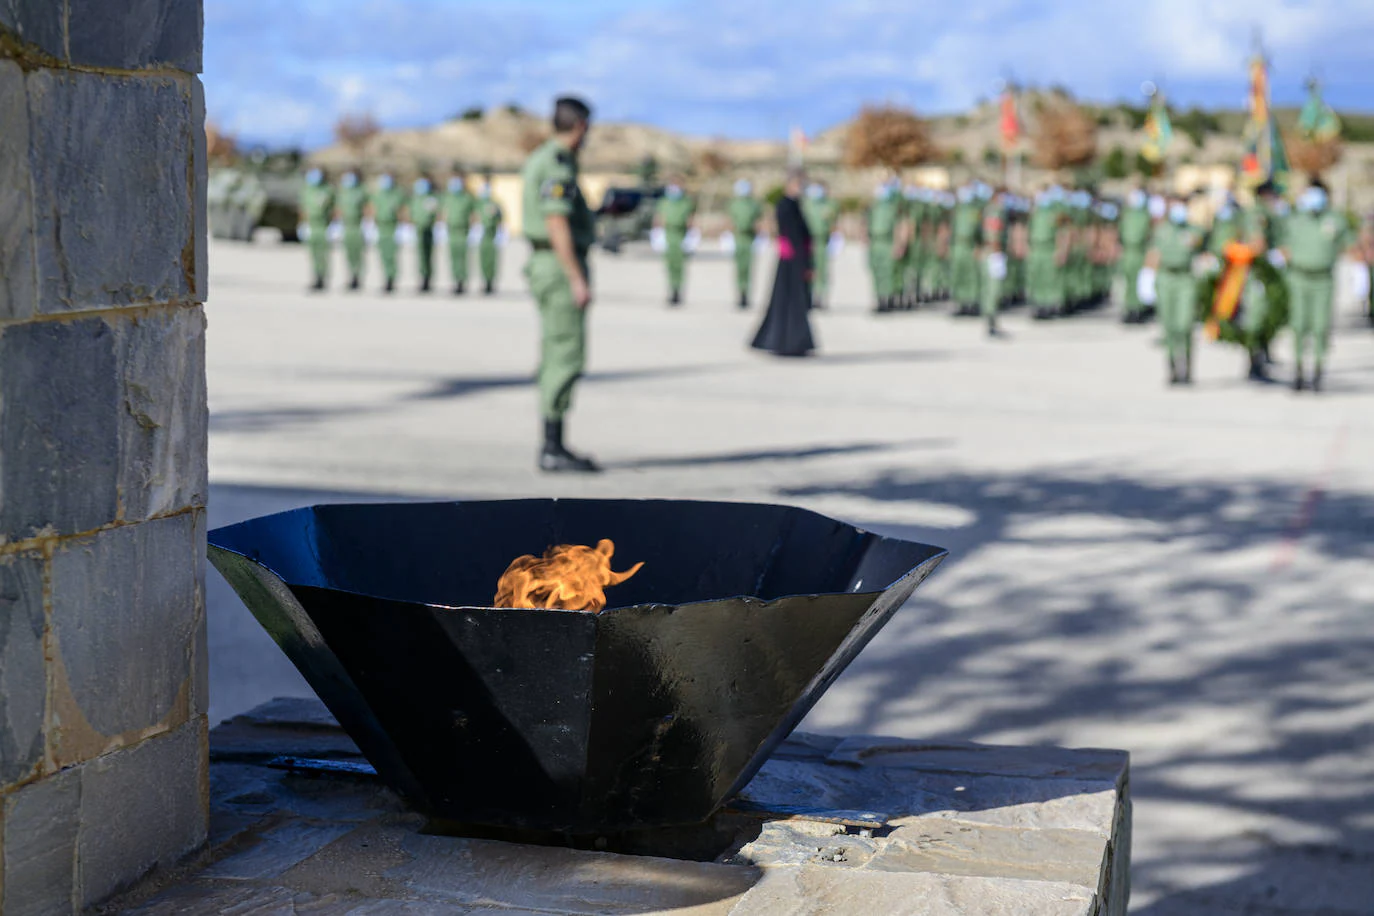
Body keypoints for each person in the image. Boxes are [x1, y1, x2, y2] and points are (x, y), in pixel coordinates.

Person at [522, 96, 599, 472]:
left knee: (556, 350)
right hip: (557, 264)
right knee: (565, 353)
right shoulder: (557, 164)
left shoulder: (544, 158)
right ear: (580, 126)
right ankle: (553, 447)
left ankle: (554, 442)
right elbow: (557, 223)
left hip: (546, 262)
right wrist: (576, 277)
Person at [1282, 179, 1353, 391]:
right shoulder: (1294, 220)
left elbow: (1350, 243)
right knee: (1298, 325)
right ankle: (1298, 370)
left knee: (1320, 326)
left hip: (1323, 279)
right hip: (1299, 278)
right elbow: (1280, 242)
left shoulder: (1335, 220)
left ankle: (1319, 370)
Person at [751, 168, 815, 357]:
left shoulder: (794, 204)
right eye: (799, 183)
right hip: (793, 259)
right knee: (788, 301)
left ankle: (793, 341)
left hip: (796, 257)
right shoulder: (785, 205)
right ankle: (785, 342)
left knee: (795, 301)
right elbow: (792, 235)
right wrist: (804, 263)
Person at [1148, 194, 1204, 385]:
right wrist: (1147, 277)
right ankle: (1172, 367)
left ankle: (1187, 366)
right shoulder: (1161, 230)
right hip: (1165, 278)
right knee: (1169, 326)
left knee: (1184, 324)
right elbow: (1153, 253)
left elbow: (1203, 245)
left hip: (1185, 279)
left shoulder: (1193, 230)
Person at [656, 178, 695, 305]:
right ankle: (671, 290)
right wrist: (657, 235)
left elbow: (690, 221)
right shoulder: (664, 202)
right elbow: (659, 219)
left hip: (681, 236)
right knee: (670, 267)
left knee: (679, 267)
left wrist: (692, 237)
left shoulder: (686, 203)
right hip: (668, 236)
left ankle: (678, 291)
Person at [802, 180, 840, 308]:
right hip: (807, 242)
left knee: (822, 271)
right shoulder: (806, 204)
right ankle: (808, 296)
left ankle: (821, 297)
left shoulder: (829, 205)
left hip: (822, 241)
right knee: (808, 270)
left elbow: (833, 221)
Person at [727, 180, 763, 309]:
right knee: (739, 268)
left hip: (750, 238)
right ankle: (740, 292)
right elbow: (730, 220)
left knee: (748, 267)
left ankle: (746, 293)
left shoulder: (754, 204)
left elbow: (760, 219)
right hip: (738, 237)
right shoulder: (734, 204)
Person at [1118, 188, 1152, 322]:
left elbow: (1148, 236)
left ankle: (1139, 309)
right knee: (1128, 281)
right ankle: (1130, 307)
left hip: (1140, 252)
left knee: (1139, 282)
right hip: (1128, 252)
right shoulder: (1126, 215)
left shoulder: (1145, 215)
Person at [867, 179, 901, 312]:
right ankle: (879, 299)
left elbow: (898, 227)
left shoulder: (892, 207)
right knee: (876, 271)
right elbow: (867, 225)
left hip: (887, 242)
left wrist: (897, 244)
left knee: (887, 272)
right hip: (876, 242)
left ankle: (887, 300)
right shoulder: (874, 207)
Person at [949, 184, 983, 316]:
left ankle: (972, 302)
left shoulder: (974, 210)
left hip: (970, 245)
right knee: (959, 274)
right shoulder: (958, 210)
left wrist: (978, 245)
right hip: (958, 245)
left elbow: (978, 229)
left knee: (971, 276)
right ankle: (961, 303)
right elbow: (953, 228)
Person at [443, 168, 477, 295]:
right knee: (453, 258)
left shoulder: (467, 198)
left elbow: (474, 214)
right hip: (451, 232)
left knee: (462, 258)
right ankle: (455, 280)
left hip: (463, 232)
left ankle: (462, 281)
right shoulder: (448, 197)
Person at [370, 171, 405, 293]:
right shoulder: (378, 194)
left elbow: (402, 210)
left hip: (392, 228)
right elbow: (373, 209)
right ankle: (386, 278)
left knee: (391, 255)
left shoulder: (397, 194)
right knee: (383, 255)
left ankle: (392, 279)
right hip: (381, 228)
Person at [300, 167, 333, 291]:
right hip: (312, 226)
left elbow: (333, 209)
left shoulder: (328, 190)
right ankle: (315, 277)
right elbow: (303, 209)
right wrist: (303, 224)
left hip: (323, 226)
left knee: (322, 255)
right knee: (313, 255)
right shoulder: (307, 190)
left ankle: (322, 278)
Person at [408, 175, 441, 292]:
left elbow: (436, 214)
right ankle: (422, 278)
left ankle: (428, 279)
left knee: (427, 256)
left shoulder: (431, 199)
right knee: (420, 256)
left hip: (428, 232)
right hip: (418, 232)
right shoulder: (415, 199)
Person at [336, 169, 367, 290]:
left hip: (357, 227)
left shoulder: (361, 191)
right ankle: (350, 277)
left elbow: (368, 208)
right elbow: (338, 210)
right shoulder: (343, 192)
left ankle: (358, 277)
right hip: (346, 227)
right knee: (348, 255)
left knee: (358, 254)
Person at [477, 180, 503, 294]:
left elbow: (500, 218)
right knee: (482, 260)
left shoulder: (495, 204)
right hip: (480, 235)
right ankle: (484, 281)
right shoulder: (477, 203)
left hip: (492, 235)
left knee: (491, 260)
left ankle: (490, 282)